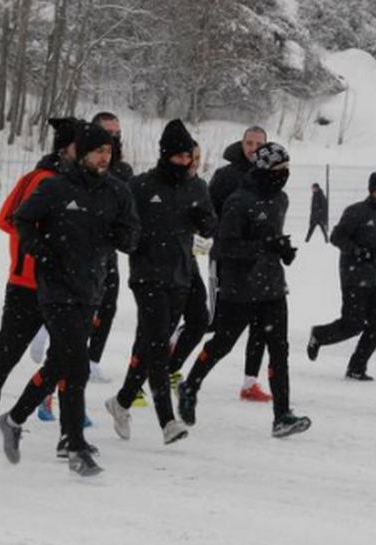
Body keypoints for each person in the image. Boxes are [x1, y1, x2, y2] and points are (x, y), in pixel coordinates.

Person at [0, 122, 140, 476]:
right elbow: (21, 220)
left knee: (61, 362)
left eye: (109, 151)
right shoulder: (56, 188)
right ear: (83, 153)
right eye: (98, 151)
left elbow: (132, 235)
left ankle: (13, 419)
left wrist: (119, 237)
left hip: (91, 287)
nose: (105, 157)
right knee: (75, 365)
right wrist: (43, 252)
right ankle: (75, 447)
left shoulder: (117, 191)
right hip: (56, 288)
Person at [178, 142, 312, 438]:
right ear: (264, 170)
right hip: (239, 288)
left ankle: (282, 415)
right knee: (222, 344)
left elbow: (270, 237)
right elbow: (226, 246)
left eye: (287, 170)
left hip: (273, 286)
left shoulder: (281, 200)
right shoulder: (240, 200)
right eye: (279, 170)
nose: (284, 175)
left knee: (279, 350)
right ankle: (191, 385)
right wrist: (263, 246)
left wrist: (282, 250)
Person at [106, 120, 217, 445]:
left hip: (180, 275)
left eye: (189, 158)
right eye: (179, 157)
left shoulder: (197, 187)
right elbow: (120, 226)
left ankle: (122, 401)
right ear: (165, 154)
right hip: (147, 274)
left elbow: (211, 226)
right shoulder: (140, 186)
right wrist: (130, 241)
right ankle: (167, 420)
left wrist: (205, 222)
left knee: (152, 343)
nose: (185, 163)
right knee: (155, 343)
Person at [0, 117, 78, 453]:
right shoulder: (37, 179)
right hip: (27, 283)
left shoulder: (84, 185)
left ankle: (64, 432)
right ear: (65, 149)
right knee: (7, 354)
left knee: (65, 358)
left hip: (65, 286)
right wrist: (41, 244)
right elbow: (6, 219)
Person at [307, 172, 376, 381]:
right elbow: (336, 236)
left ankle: (357, 368)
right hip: (353, 277)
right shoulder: (356, 211)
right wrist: (357, 250)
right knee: (353, 325)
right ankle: (319, 335)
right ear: (373, 188)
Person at [209, 126, 273, 402]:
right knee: (216, 324)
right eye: (249, 142)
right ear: (241, 143)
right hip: (228, 259)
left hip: (259, 262)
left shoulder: (271, 176)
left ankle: (250, 383)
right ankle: (172, 358)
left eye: (259, 144)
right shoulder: (226, 176)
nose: (253, 148)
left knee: (260, 322)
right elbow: (209, 214)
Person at [87, 111, 134, 385]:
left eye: (117, 133)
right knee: (80, 306)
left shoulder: (123, 171)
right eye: (108, 132)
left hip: (109, 250)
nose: (114, 138)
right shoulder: (81, 167)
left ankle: (93, 359)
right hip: (80, 249)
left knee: (108, 305)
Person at [165, 141, 217, 387]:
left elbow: (209, 225)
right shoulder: (160, 185)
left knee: (199, 319)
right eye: (190, 157)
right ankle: (136, 382)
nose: (194, 162)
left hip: (189, 262)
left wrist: (204, 229)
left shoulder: (199, 186)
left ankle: (170, 368)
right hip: (161, 265)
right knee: (157, 326)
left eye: (198, 157)